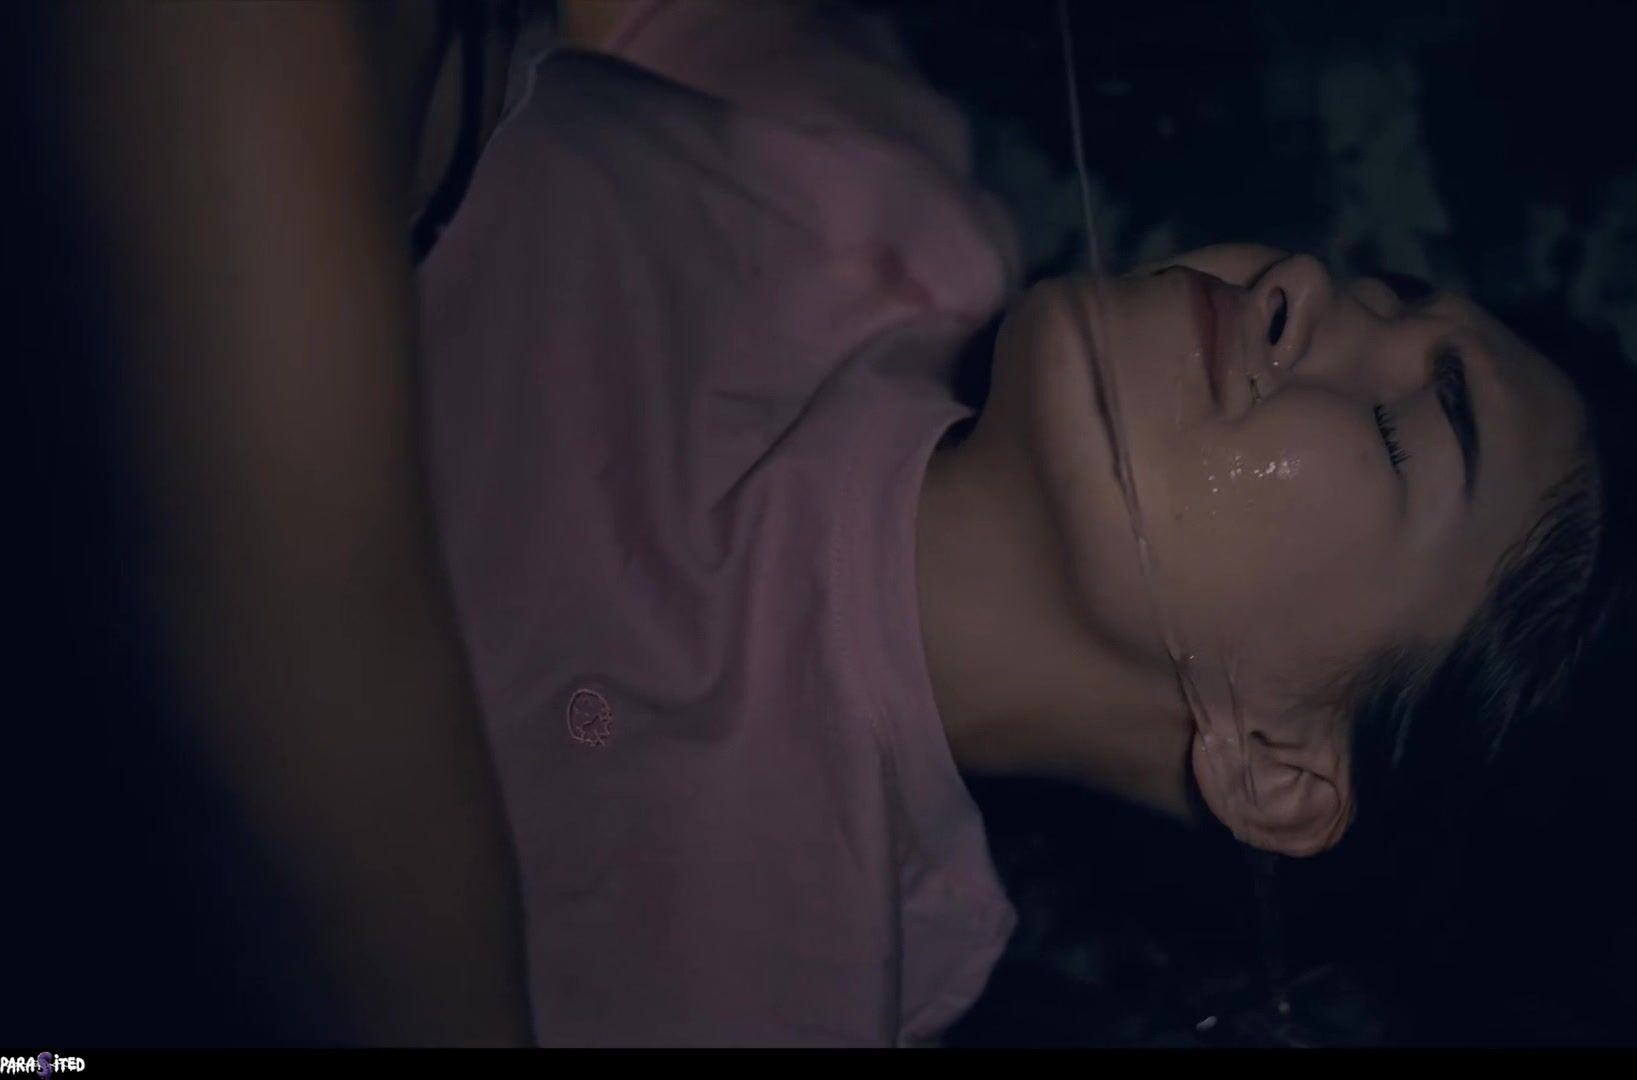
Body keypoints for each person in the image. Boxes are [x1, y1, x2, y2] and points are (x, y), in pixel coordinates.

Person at [34, 0, 1633, 1048]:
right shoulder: (872, 191)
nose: (1298, 286)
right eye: (1381, 292)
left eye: (1403, 428)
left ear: (1277, 767)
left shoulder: (780, 982)